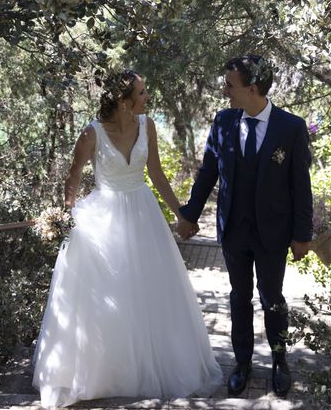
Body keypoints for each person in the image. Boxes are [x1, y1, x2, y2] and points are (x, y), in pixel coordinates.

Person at [32, 70, 222, 408]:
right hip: (102, 218)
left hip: (142, 212)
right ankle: (108, 372)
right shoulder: (91, 133)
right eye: (142, 91)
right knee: (107, 295)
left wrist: (181, 213)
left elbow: (157, 173)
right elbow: (73, 176)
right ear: (123, 100)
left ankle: (150, 367)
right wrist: (67, 216)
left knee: (150, 290)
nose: (147, 96)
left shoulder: (146, 125)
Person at [176, 55, 313, 398]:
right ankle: (242, 364)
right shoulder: (223, 122)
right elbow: (208, 172)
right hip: (234, 231)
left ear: (251, 89)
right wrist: (190, 215)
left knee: (273, 299)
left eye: (230, 85)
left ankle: (280, 362)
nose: (225, 91)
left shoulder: (290, 127)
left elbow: (301, 185)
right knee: (239, 298)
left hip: (273, 233)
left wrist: (301, 236)